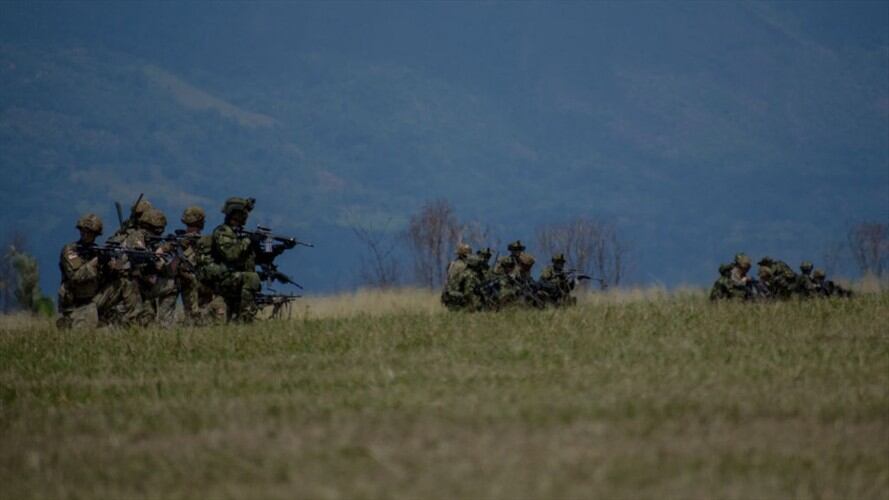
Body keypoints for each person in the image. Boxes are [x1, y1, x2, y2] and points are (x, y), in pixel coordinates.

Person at [211, 197, 261, 322]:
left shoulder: (240, 233)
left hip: (235, 277)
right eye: (244, 213)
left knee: (256, 276)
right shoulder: (223, 232)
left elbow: (258, 258)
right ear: (236, 213)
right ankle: (245, 319)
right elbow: (231, 255)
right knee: (252, 278)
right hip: (224, 277)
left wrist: (278, 249)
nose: (246, 216)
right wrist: (249, 240)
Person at [177, 206, 225, 325]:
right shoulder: (207, 241)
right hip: (203, 282)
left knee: (192, 314)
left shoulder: (181, 241)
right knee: (200, 313)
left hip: (191, 282)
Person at [56, 214, 105, 329]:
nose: (86, 234)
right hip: (75, 300)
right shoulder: (70, 250)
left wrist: (111, 266)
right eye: (84, 231)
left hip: (92, 298)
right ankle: (68, 321)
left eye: (90, 233)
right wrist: (95, 262)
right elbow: (76, 276)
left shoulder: (97, 250)